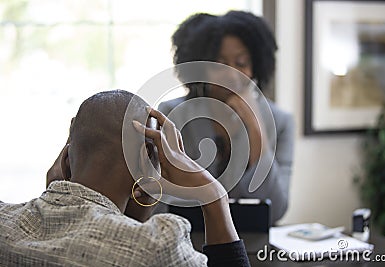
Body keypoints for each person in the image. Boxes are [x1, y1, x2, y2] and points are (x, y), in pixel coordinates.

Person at [0, 90, 250, 266]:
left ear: (65, 160)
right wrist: (213, 196)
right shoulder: (156, 246)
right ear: (145, 160)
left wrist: (54, 195)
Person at [158, 11, 295, 223]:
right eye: (218, 64)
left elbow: (275, 210)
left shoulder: (281, 122)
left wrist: (255, 130)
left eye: (241, 63)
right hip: (187, 243)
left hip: (253, 246)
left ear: (256, 67)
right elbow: (160, 203)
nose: (231, 74)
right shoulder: (171, 115)